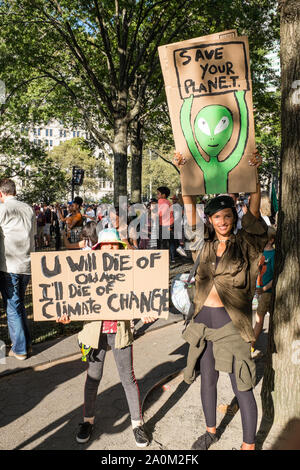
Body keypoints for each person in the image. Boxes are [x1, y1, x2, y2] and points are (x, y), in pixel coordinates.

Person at [173, 150, 268, 451]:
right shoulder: (203, 245)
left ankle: (248, 444)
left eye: (228, 215)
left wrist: (253, 175)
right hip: (203, 323)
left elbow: (253, 214)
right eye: (217, 217)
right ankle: (210, 431)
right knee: (208, 379)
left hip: (232, 325)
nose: (223, 221)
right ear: (211, 220)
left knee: (242, 385)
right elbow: (189, 210)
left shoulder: (247, 245)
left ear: (233, 218)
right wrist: (183, 171)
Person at [57, 227, 155, 447]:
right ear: (98, 248)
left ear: (120, 248)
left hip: (120, 332)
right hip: (94, 333)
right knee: (93, 377)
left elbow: (140, 297)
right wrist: (67, 314)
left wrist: (146, 311)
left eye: (114, 246)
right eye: (105, 246)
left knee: (127, 378)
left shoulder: (129, 271)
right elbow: (76, 298)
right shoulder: (88, 272)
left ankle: (137, 424)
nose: (110, 249)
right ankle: (87, 421)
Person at [0, 178, 36, 360]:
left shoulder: (3, 208)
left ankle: (20, 349)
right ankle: (27, 344)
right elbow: (33, 234)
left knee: (12, 306)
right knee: (19, 304)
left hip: (9, 265)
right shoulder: (29, 208)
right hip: (27, 264)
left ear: (1, 193)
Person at [252, 226, 276, 352]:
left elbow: (275, 275)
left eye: (264, 238)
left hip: (267, 292)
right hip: (258, 290)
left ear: (271, 240)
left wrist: (265, 288)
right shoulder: (260, 252)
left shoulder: (273, 254)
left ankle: (251, 345)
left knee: (259, 318)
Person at [157, 186, 175, 263]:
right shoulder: (169, 202)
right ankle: (172, 258)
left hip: (164, 225)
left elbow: (160, 213)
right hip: (171, 224)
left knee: (162, 243)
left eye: (158, 194)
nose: (157, 195)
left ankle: (163, 260)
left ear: (163, 195)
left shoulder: (161, 201)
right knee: (171, 242)